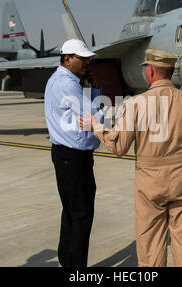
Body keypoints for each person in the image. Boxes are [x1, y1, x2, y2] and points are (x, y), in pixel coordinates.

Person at [80, 48, 182, 267]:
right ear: (171, 72)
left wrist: (97, 127)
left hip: (149, 184)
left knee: (150, 248)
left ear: (150, 71)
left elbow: (118, 146)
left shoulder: (136, 104)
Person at [44, 38, 102, 267]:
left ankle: (67, 261)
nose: (87, 62)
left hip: (64, 154)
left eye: (88, 58)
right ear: (67, 59)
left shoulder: (58, 79)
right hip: (74, 157)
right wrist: (96, 90)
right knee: (81, 214)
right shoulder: (68, 84)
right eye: (82, 58)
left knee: (70, 212)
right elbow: (95, 116)